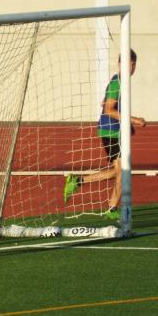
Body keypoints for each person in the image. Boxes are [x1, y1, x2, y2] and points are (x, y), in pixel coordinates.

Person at [63, 49, 146, 218]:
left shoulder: (121, 82)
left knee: (119, 172)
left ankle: (77, 181)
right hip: (110, 131)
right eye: (126, 64)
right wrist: (133, 119)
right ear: (119, 64)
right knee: (123, 172)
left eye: (132, 64)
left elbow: (107, 103)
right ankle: (112, 210)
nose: (129, 67)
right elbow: (108, 109)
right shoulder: (117, 83)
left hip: (115, 130)